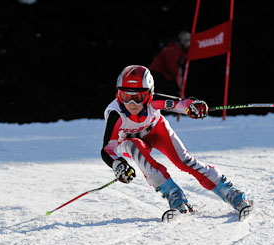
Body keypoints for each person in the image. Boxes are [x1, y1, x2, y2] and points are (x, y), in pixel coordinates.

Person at [101, 65, 252, 215]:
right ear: (118, 94)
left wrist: (193, 106)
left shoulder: (154, 100)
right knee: (136, 149)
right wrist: (118, 165)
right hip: (129, 140)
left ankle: (230, 193)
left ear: (149, 94)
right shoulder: (115, 114)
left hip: (156, 131)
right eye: (126, 97)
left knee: (184, 161)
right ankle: (175, 196)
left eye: (138, 98)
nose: (131, 104)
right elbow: (108, 149)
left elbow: (181, 104)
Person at [149, 31, 191, 97]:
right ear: (180, 39)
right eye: (185, 40)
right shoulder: (174, 48)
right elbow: (171, 65)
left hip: (166, 76)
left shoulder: (183, 51)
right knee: (166, 94)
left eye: (189, 40)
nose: (188, 42)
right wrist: (178, 77)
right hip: (159, 74)